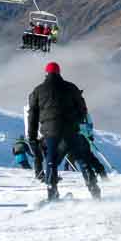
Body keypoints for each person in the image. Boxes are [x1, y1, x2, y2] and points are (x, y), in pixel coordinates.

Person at [28, 62, 101, 201]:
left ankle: (52, 193)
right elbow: (82, 109)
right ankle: (94, 191)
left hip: (50, 132)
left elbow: (32, 115)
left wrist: (32, 137)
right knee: (81, 158)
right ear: (59, 72)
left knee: (51, 161)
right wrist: (77, 122)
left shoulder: (38, 90)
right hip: (71, 130)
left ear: (46, 73)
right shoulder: (71, 87)